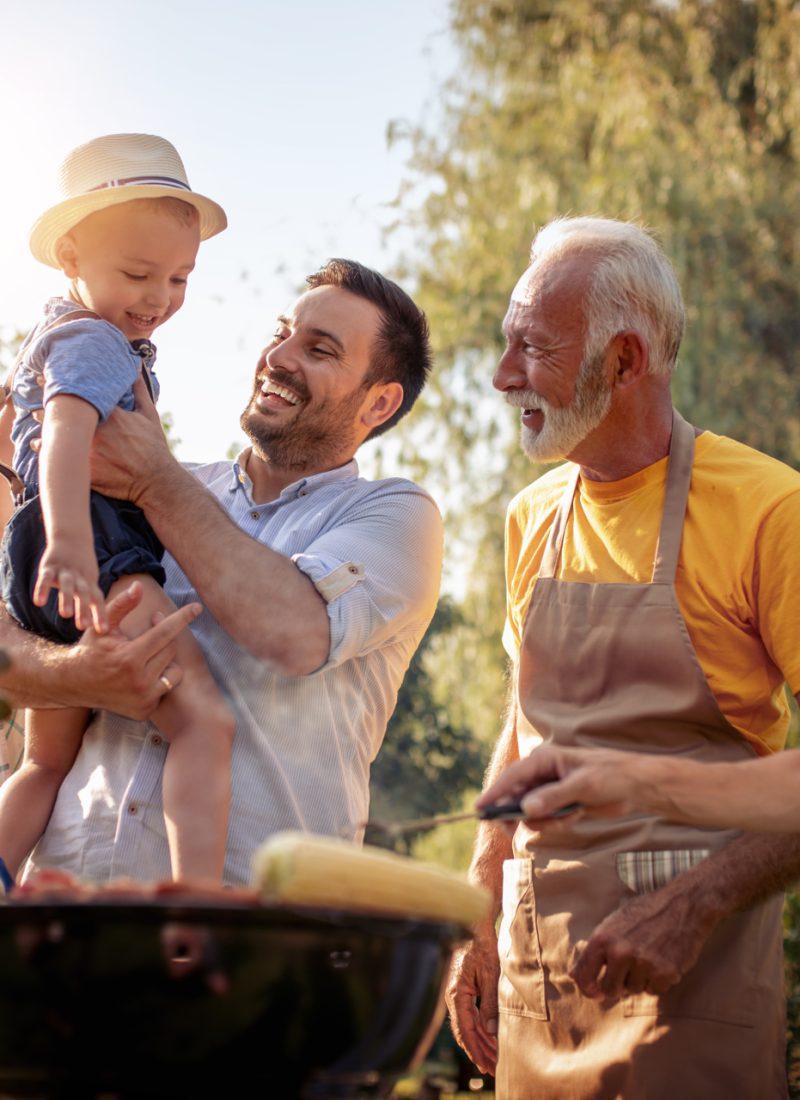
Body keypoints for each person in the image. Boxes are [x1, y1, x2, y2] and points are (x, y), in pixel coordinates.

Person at [446, 216, 800, 1099]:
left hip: (695, 978)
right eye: (505, 344)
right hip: (540, 979)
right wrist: (481, 889)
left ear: (625, 361)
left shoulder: (768, 510)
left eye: (532, 348)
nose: (502, 377)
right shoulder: (531, 518)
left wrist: (699, 902)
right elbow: (526, 721)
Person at [1, 257, 443, 887]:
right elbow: (15, 618)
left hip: (250, 943)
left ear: (379, 402)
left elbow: (293, 632)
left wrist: (157, 481)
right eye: (282, 331)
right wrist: (76, 675)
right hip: (70, 913)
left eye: (318, 349)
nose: (279, 356)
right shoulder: (161, 484)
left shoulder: (396, 515)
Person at [0, 133, 235, 889]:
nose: (159, 298)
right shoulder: (99, 341)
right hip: (89, 542)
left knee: (42, 760)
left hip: (38, 548)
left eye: (179, 277)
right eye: (138, 273)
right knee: (203, 720)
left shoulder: (53, 331)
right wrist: (71, 545)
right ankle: (196, 901)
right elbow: (67, 433)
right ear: (71, 257)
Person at [479, 740, 800, 834]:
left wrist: (703, 897)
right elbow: (521, 723)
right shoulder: (523, 573)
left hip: (709, 947)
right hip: (535, 952)